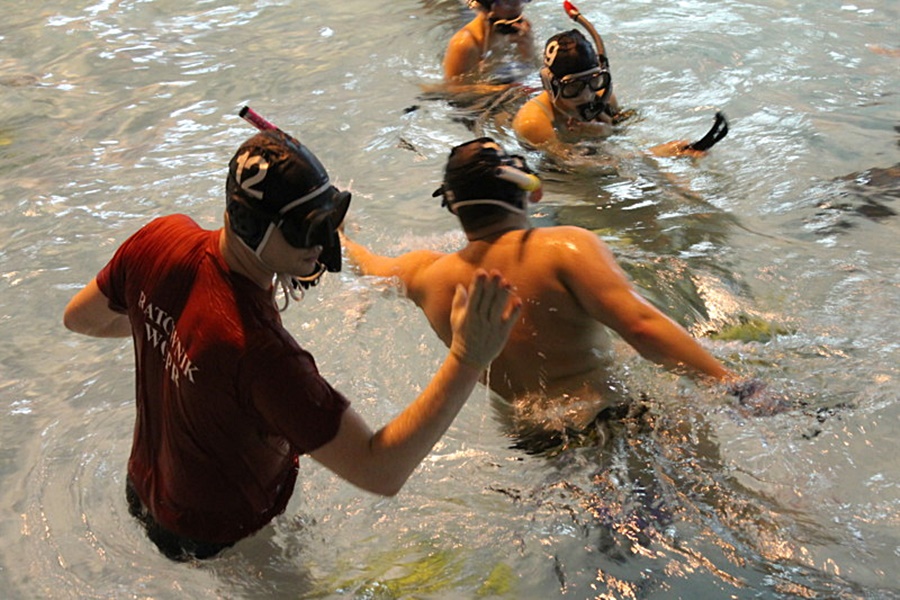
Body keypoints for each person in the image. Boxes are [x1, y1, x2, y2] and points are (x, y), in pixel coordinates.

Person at [62, 128, 521, 561]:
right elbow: (381, 470)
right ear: (251, 226)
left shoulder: (159, 240)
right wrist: (467, 357)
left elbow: (80, 318)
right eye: (306, 231)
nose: (321, 244)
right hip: (222, 540)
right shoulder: (264, 356)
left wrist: (176, 331)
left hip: (141, 490)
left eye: (328, 221)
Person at [341, 137, 750, 448]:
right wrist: (733, 385)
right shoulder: (565, 248)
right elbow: (642, 328)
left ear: (453, 205)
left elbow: (367, 265)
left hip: (535, 441)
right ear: (527, 188)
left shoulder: (425, 275)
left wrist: (340, 236)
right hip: (612, 422)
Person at [512, 29, 728, 159]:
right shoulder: (533, 123)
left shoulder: (602, 95)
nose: (587, 95)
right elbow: (579, 171)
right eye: (573, 87)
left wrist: (607, 131)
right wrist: (658, 153)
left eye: (594, 81)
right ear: (550, 85)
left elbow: (623, 139)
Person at [442, 0, 536, 93]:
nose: (519, 6)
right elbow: (452, 89)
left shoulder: (520, 29)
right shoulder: (465, 43)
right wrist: (503, 89)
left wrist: (529, 52)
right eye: (509, 2)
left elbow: (536, 67)